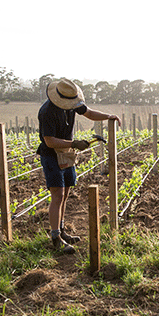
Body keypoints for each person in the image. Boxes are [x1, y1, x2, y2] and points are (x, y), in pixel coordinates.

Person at [37, 78, 119, 254]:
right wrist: (74, 143)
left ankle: (61, 230)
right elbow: (49, 141)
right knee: (57, 194)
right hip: (51, 155)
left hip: (67, 153)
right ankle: (55, 237)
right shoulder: (47, 111)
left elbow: (89, 113)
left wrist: (108, 116)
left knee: (65, 193)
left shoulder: (72, 103)